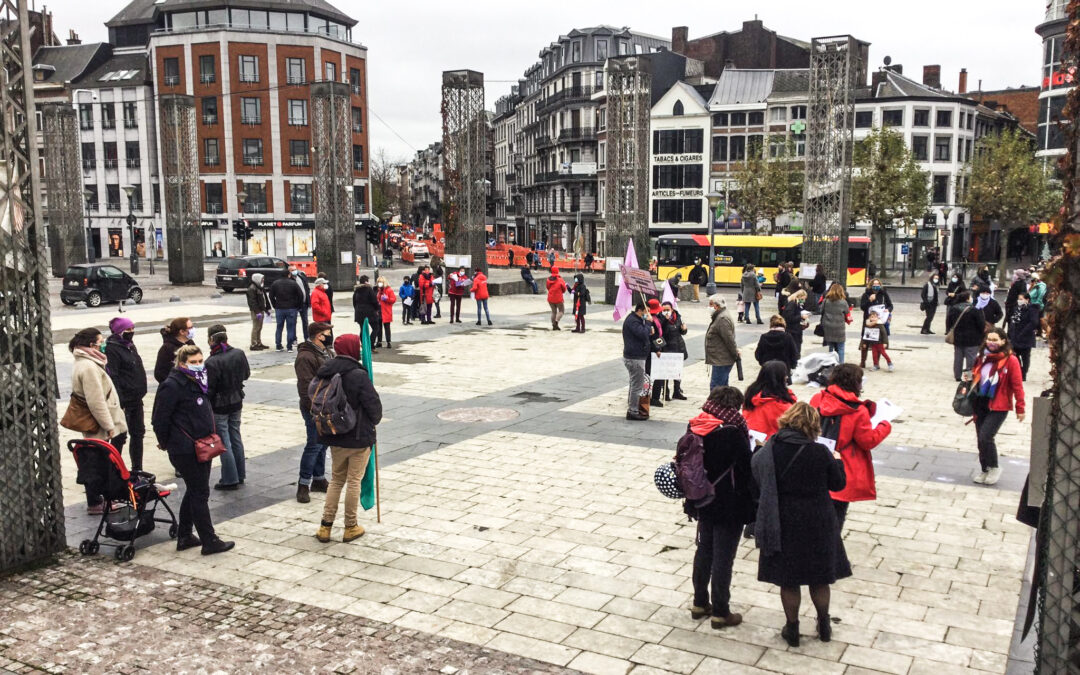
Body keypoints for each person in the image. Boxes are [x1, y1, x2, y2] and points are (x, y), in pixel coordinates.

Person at [751, 402, 850, 647]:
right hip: (818, 520)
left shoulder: (771, 449)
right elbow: (837, 485)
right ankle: (824, 624)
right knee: (819, 578)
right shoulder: (820, 452)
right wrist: (838, 461)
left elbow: (756, 475)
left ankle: (792, 627)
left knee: (789, 578)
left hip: (784, 520)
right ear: (812, 426)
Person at [151, 344, 235, 555]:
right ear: (182, 364)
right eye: (193, 362)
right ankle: (209, 540)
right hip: (186, 448)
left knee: (194, 489)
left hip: (202, 444)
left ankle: (185, 535)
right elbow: (159, 418)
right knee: (200, 493)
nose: (198, 366)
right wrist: (166, 441)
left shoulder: (198, 382)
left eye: (200, 361)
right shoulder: (173, 385)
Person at [687, 386, 755, 630]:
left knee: (704, 551)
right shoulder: (733, 431)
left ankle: (699, 603)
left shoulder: (696, 425)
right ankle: (721, 612)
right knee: (723, 557)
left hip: (702, 498)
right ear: (734, 405)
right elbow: (746, 469)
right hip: (729, 502)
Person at [314, 334, 383, 543]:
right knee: (354, 481)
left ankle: (325, 527)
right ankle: (350, 526)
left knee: (336, 480)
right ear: (353, 349)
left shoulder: (327, 371)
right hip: (358, 436)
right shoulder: (358, 375)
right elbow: (374, 406)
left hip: (335, 434)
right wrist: (375, 420)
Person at [809, 364, 891, 529]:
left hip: (815, 458)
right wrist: (885, 425)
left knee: (816, 509)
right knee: (837, 513)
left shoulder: (818, 399)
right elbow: (867, 441)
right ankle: (831, 548)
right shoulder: (858, 410)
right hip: (842, 463)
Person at [70, 327, 128, 514]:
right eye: (100, 342)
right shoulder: (88, 367)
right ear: (90, 344)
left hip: (103, 421)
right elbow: (96, 401)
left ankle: (100, 499)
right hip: (100, 424)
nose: (103, 345)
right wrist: (108, 426)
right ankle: (97, 501)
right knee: (98, 463)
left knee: (99, 461)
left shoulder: (89, 362)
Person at [965, 328, 1025, 486]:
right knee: (980, 439)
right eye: (989, 339)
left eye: (995, 340)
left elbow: (1017, 385)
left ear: (1003, 341)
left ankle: (994, 467)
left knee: (986, 436)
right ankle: (985, 468)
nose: (991, 342)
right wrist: (970, 378)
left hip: (999, 405)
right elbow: (977, 374)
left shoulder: (1011, 360)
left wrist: (1020, 407)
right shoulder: (982, 357)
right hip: (980, 402)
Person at [205, 325, 250, 490]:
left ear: (211, 339)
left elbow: (210, 388)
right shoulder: (238, 353)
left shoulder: (212, 361)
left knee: (224, 442)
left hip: (220, 405)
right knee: (236, 437)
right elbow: (246, 374)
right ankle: (240, 474)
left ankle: (230, 478)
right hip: (236, 400)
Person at [294, 321, 334, 503]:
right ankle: (303, 484)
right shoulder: (305, 357)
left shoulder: (326, 352)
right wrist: (315, 408)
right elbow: (305, 387)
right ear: (319, 336)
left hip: (328, 405)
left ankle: (318, 478)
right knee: (314, 444)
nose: (329, 336)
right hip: (314, 407)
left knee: (323, 443)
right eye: (327, 333)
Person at [104, 317, 147, 472]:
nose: (131, 332)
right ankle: (114, 469)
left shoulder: (130, 346)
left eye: (132, 328)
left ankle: (137, 468)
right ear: (119, 331)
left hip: (137, 399)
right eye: (127, 329)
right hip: (125, 401)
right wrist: (120, 402)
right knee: (120, 436)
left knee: (138, 434)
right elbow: (113, 376)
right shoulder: (112, 348)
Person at [742, 361, 797, 439]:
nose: (787, 377)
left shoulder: (751, 393)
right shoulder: (781, 404)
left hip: (752, 437)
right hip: (772, 442)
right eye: (785, 374)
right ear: (780, 378)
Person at [946, 290, 988, 381]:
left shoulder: (953, 308)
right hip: (972, 339)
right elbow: (981, 325)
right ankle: (968, 377)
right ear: (967, 299)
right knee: (971, 359)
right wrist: (982, 335)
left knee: (958, 357)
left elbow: (949, 322)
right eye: (970, 297)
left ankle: (957, 376)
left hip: (958, 338)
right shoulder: (974, 310)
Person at [621, 302, 651, 421]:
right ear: (640, 310)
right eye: (646, 311)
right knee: (637, 385)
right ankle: (633, 410)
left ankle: (632, 407)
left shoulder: (637, 320)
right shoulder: (633, 321)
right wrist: (648, 323)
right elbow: (642, 333)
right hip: (635, 357)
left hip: (637, 356)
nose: (648, 314)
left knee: (635, 383)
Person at [654, 301, 688, 402]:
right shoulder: (660, 318)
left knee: (677, 371)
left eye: (668, 310)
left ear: (672, 309)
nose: (666, 312)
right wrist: (665, 319)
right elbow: (659, 332)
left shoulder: (677, 316)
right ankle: (666, 392)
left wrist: (684, 329)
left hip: (678, 346)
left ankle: (677, 391)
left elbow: (681, 331)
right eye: (663, 310)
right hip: (666, 347)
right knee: (666, 371)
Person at [705, 295, 738, 390]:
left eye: (710, 304)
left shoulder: (722, 319)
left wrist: (735, 354)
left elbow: (729, 340)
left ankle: (716, 404)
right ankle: (724, 404)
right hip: (720, 359)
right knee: (722, 387)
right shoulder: (720, 316)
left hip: (722, 360)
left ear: (716, 306)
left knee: (716, 388)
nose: (709, 307)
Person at [269, 273, 303, 352]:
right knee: (290, 328)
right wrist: (298, 305)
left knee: (279, 327)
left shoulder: (275, 283)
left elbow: (271, 296)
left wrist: (275, 304)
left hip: (279, 308)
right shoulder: (293, 283)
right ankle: (289, 346)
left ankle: (278, 345)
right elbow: (300, 295)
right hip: (291, 308)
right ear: (288, 275)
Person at [1008, 291, 1039, 380]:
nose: (1019, 301)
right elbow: (1012, 321)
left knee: (1025, 357)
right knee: (1015, 355)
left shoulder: (1032, 309)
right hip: (1015, 336)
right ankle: (1018, 372)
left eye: (1021, 299)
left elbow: (1034, 322)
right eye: (1018, 299)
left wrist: (1024, 332)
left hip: (1026, 336)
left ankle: (1023, 373)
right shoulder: (1016, 309)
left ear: (1027, 300)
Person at [154, 317, 195, 383]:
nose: (193, 330)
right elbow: (159, 373)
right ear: (182, 331)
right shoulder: (167, 348)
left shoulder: (190, 343)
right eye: (190, 328)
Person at [819, 283, 851, 363]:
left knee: (829, 348)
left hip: (828, 327)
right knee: (841, 348)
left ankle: (829, 364)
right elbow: (847, 312)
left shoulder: (826, 301)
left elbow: (821, 311)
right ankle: (840, 364)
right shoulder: (843, 302)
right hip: (839, 327)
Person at [351, 275, 381, 350]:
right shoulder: (369, 289)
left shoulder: (357, 290)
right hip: (370, 312)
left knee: (362, 329)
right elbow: (374, 301)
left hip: (359, 312)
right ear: (366, 281)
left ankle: (364, 345)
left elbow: (354, 302)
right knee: (376, 328)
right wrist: (377, 309)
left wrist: (357, 309)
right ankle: (371, 344)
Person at [246, 273, 271, 351]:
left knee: (259, 327)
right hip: (256, 311)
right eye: (261, 279)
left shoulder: (260, 287)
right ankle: (253, 344)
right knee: (256, 327)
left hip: (260, 310)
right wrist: (257, 312)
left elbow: (264, 299)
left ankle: (259, 342)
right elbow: (252, 302)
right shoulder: (252, 288)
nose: (263, 280)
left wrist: (266, 309)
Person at [781, 289, 809, 354]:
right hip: (792, 331)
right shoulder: (792, 304)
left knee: (797, 349)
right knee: (794, 350)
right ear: (798, 297)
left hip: (797, 330)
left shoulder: (799, 304)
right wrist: (801, 317)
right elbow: (789, 318)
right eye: (803, 299)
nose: (804, 301)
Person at [291, 266, 312, 342]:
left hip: (304, 303)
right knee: (293, 322)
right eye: (292, 270)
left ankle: (307, 337)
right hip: (294, 305)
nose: (294, 271)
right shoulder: (289, 280)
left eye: (295, 269)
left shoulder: (301, 277)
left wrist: (308, 301)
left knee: (305, 321)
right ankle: (294, 339)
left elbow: (306, 288)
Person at [376, 277, 397, 348]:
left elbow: (393, 299)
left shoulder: (389, 290)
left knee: (387, 327)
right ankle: (379, 341)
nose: (379, 284)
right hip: (379, 311)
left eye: (380, 282)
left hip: (386, 311)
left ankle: (388, 342)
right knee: (379, 327)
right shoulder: (379, 290)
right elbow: (377, 299)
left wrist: (387, 299)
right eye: (378, 282)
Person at [546, 266, 568, 330]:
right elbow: (564, 289)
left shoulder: (548, 279)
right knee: (561, 311)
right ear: (557, 271)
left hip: (550, 298)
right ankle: (556, 321)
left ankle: (554, 325)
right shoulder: (560, 279)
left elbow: (548, 287)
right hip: (558, 298)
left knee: (553, 312)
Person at [1029, 273, 1047, 338]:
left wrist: (1037, 303)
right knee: (1038, 319)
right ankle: (1039, 332)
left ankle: (1047, 332)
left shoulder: (1041, 285)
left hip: (1037, 305)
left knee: (1040, 319)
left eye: (1033, 278)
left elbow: (1041, 295)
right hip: (1034, 304)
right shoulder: (1036, 285)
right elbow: (1029, 293)